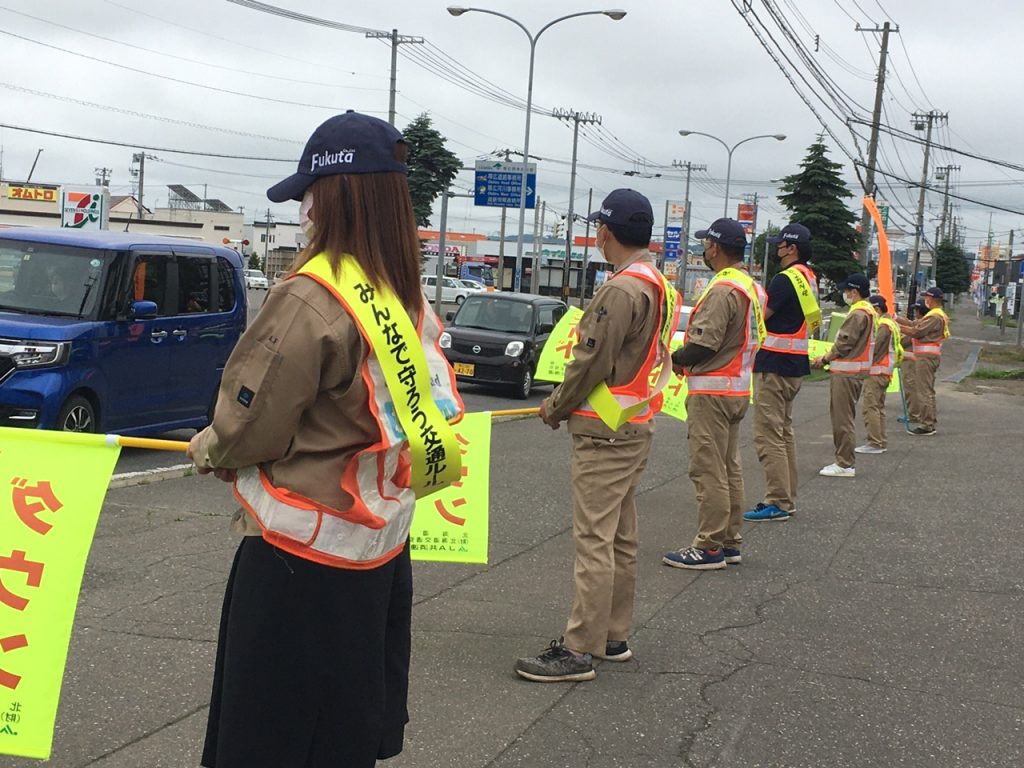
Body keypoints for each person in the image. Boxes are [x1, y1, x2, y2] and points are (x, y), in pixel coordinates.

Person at [186, 111, 465, 768]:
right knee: (341, 736)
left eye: (311, 193)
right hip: (377, 554)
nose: (305, 208)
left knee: (270, 740)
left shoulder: (315, 294)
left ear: (337, 195)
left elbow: (248, 424)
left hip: (295, 564)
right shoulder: (406, 297)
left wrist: (213, 449)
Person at [514, 189, 680, 683]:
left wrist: (555, 405)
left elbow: (590, 362)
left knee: (593, 539)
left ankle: (579, 649)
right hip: (634, 424)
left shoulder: (621, 290)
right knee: (620, 536)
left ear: (604, 232)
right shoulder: (659, 285)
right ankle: (612, 634)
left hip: (604, 432)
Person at [663, 218, 766, 570]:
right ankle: (730, 541)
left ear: (716, 248)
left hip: (712, 390)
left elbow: (705, 343)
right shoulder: (750, 287)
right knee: (728, 467)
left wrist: (674, 359)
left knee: (707, 468)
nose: (703, 250)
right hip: (737, 387)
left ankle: (708, 546)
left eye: (706, 244)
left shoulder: (722, 290)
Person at [744, 223, 819, 523]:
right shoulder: (809, 277)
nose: (777, 249)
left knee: (768, 434)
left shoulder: (785, 279)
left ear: (792, 248)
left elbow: (761, 318)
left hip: (774, 364)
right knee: (785, 433)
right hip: (795, 363)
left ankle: (777, 500)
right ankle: (787, 497)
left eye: (780, 245)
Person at [811, 274, 875, 477]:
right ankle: (844, 461)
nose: (845, 294)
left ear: (854, 292)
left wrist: (825, 358)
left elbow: (844, 342)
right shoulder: (869, 311)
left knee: (842, 419)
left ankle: (844, 463)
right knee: (845, 417)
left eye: (847, 291)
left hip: (847, 373)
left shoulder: (858, 313)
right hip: (854, 372)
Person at [896, 286, 950, 435]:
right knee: (927, 390)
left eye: (927, 297)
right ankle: (929, 421)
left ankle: (927, 424)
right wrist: (895, 318)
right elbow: (914, 325)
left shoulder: (934, 316)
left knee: (923, 391)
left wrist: (896, 326)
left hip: (925, 358)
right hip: (928, 357)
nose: (926, 300)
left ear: (931, 299)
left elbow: (916, 331)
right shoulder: (935, 315)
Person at [856, 294, 902, 454]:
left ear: (876, 309)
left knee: (870, 407)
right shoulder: (892, 324)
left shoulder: (882, 325)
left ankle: (874, 442)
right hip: (886, 371)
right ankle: (880, 440)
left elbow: (875, 349)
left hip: (877, 371)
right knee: (879, 407)